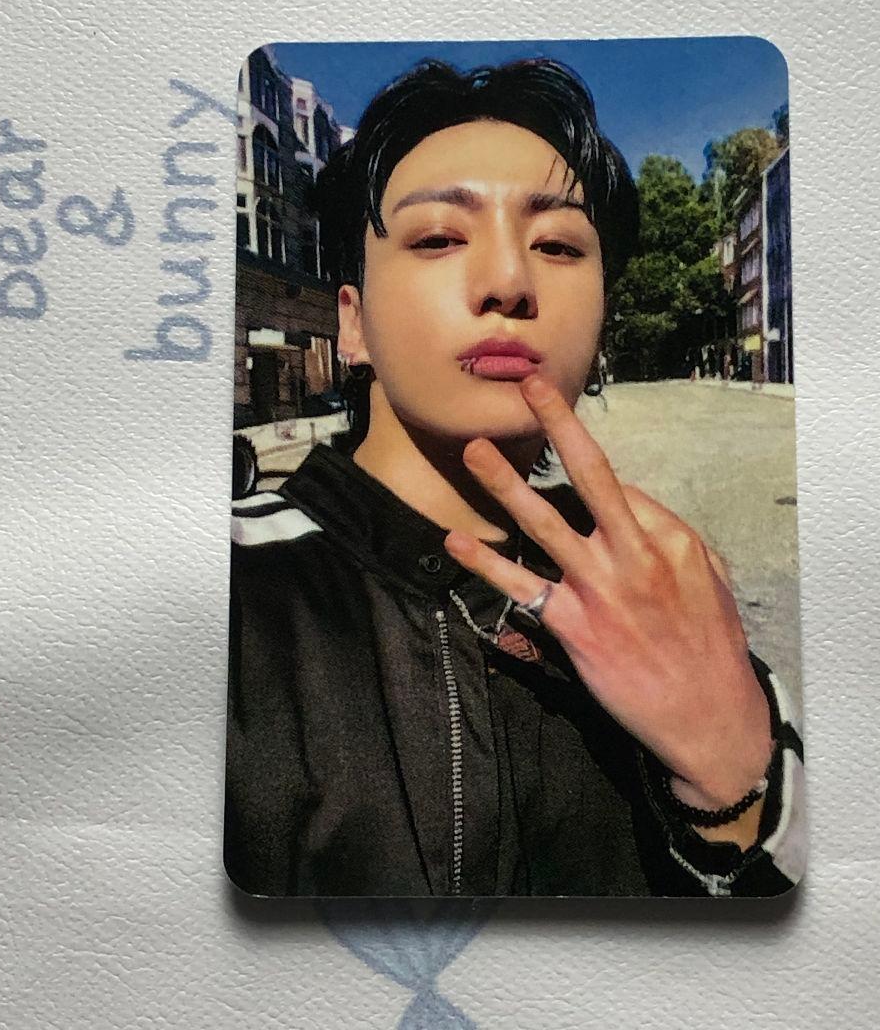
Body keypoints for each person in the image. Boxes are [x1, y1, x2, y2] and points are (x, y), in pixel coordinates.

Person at [225, 58, 805, 897]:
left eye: (558, 246)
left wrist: (733, 774)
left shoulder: (664, 583)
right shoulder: (232, 591)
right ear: (353, 325)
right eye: (438, 238)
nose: (508, 283)